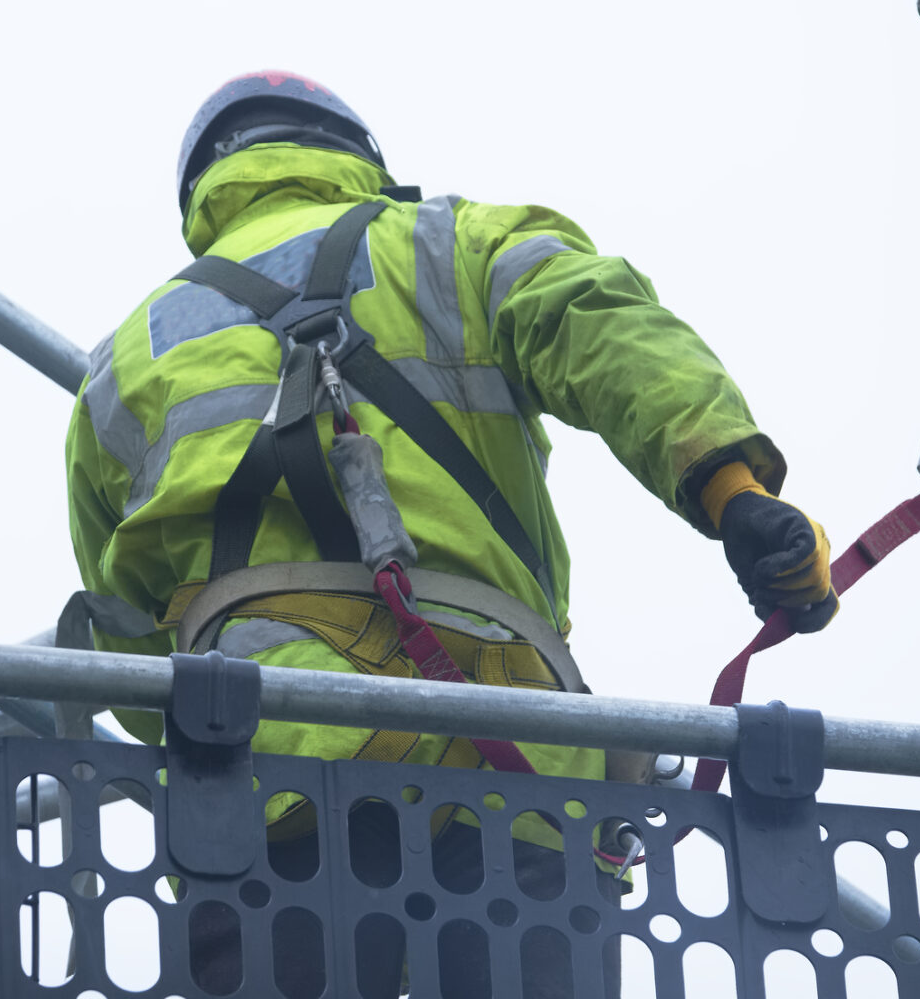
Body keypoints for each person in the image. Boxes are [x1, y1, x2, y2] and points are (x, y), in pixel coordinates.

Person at [64, 71, 833, 997]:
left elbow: (131, 642)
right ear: (358, 158)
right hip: (511, 774)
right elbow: (603, 329)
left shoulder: (122, 362)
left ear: (202, 191)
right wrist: (730, 490)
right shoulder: (452, 244)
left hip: (266, 787)